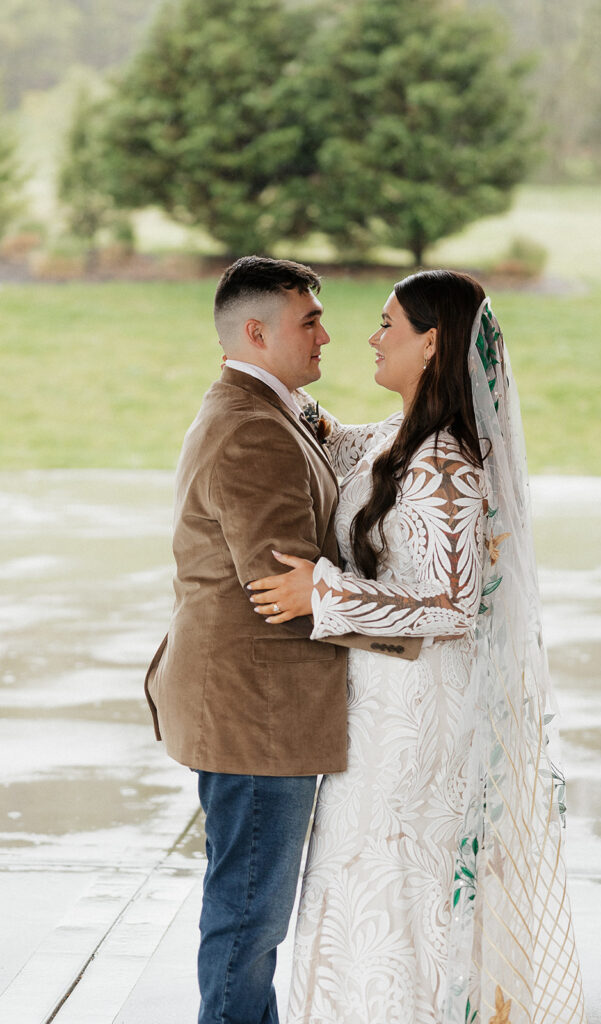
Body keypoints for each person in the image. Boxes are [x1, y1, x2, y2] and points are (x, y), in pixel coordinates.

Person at [249, 270, 586, 1023]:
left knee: (398, 879)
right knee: (354, 873)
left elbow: (451, 604)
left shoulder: (446, 468)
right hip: (370, 708)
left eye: (385, 326)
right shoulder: (392, 441)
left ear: (432, 344)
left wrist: (323, 593)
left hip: (420, 718)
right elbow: (322, 435)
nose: (369, 338)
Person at [143, 256, 420, 1024]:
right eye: (310, 321)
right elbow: (287, 595)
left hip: (250, 704)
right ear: (256, 332)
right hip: (258, 712)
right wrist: (425, 621)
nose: (327, 335)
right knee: (247, 917)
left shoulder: (270, 409)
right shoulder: (248, 429)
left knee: (245, 907)